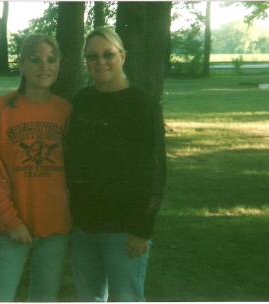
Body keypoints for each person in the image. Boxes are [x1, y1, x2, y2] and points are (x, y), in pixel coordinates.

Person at [65, 27, 167, 302]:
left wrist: (141, 229)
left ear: (122, 56)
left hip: (124, 230)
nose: (100, 62)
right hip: (84, 226)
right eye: (92, 56)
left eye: (108, 54)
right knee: (89, 298)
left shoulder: (143, 105)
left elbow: (155, 171)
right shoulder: (83, 100)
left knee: (126, 297)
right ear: (85, 61)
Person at [0, 35, 72, 302]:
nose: (45, 66)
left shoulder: (66, 112)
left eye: (51, 60)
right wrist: (11, 221)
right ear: (21, 65)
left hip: (54, 228)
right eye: (35, 60)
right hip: (10, 229)